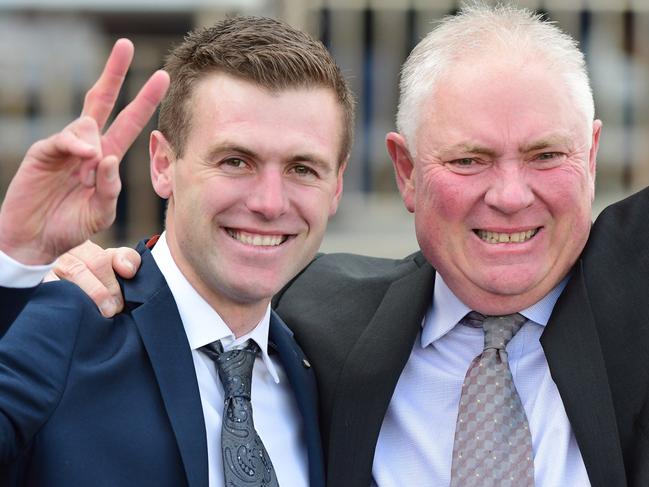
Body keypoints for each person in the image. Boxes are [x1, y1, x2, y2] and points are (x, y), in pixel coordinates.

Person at [51, 3, 649, 486]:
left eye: (547, 156)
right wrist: (55, 274)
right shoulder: (317, 315)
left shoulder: (636, 301)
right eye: (470, 160)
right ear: (406, 171)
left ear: (592, 156)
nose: (511, 195)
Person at [0, 15, 355, 487]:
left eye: (303, 168)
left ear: (337, 186)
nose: (269, 203)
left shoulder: (329, 361)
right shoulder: (67, 321)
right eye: (235, 161)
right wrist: (13, 256)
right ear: (163, 164)